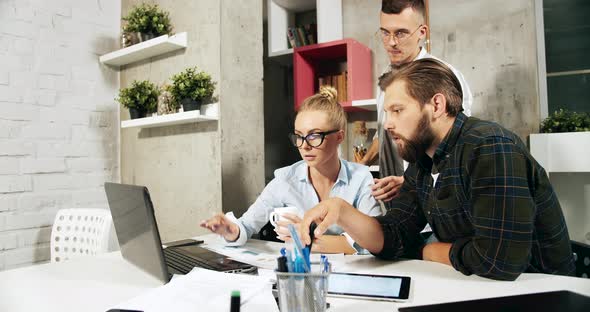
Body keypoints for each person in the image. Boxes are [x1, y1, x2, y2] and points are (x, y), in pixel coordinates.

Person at [300, 59, 575, 281]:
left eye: (397, 110)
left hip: (541, 293)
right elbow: (394, 235)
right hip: (474, 286)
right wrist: (342, 211)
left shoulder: (490, 147)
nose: (387, 124)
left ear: (437, 105)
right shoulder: (422, 161)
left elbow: (499, 262)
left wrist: (429, 250)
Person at [200, 87, 381, 254]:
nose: (304, 146)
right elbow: (246, 225)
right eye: (299, 136)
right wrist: (231, 230)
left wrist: (304, 238)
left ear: (339, 136)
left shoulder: (361, 178)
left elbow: (373, 241)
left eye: (314, 136)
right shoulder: (285, 179)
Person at [355, 0, 473, 206]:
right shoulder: (386, 80)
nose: (391, 42)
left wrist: (411, 181)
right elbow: (384, 132)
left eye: (400, 33)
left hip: (434, 206)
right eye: (385, 32)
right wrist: (362, 165)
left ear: (422, 32)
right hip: (396, 204)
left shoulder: (443, 77)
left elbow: (458, 145)